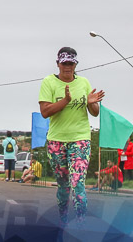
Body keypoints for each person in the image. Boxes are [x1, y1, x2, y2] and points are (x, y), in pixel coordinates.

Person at [38, 47, 104, 226]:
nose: (67, 67)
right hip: (57, 141)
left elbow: (95, 113)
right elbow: (45, 112)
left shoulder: (83, 83)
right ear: (57, 64)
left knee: (78, 182)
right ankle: (64, 220)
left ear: (76, 64)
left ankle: (81, 222)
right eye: (64, 63)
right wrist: (65, 101)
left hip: (80, 139)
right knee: (64, 185)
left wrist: (91, 103)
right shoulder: (49, 82)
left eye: (71, 63)